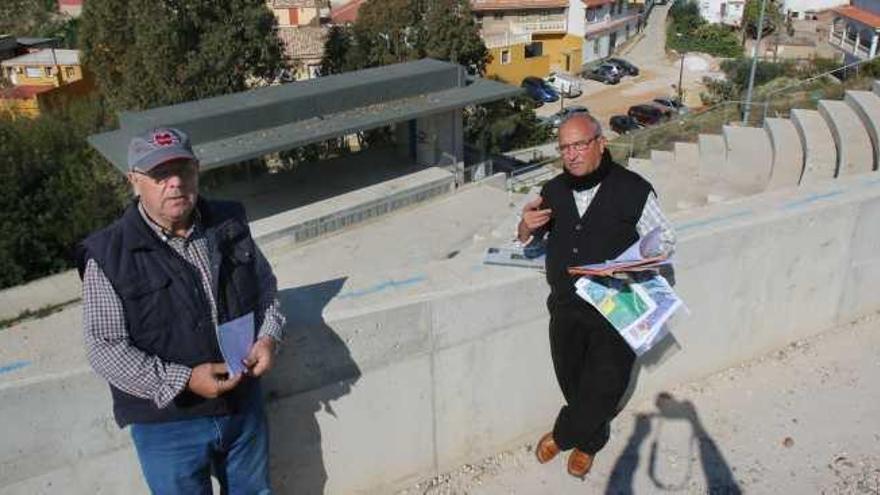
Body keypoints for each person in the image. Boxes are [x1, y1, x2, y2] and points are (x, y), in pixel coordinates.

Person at [77, 127, 286, 494]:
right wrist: (184, 381)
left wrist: (268, 338)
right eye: (159, 174)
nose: (174, 183)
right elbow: (105, 347)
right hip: (168, 425)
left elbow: (266, 289)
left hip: (242, 406)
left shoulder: (229, 223)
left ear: (197, 170)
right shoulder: (110, 255)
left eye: (183, 170)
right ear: (134, 182)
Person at [517, 114, 676, 479]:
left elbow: (664, 240)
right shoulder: (553, 189)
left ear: (601, 143)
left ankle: (573, 439)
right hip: (566, 304)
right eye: (565, 147)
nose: (571, 155)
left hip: (616, 302)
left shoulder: (634, 188)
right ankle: (593, 430)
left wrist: (629, 263)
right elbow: (527, 241)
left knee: (606, 382)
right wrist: (526, 225)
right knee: (571, 377)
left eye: (579, 145)